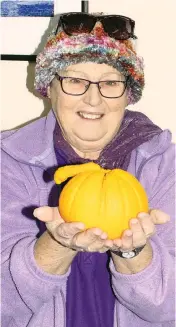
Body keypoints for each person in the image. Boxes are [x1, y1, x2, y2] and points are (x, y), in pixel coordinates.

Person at [1, 12, 175, 327]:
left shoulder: (165, 167)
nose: (93, 98)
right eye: (75, 80)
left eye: (110, 82)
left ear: (128, 95)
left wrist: (135, 256)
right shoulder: (7, 163)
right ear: (49, 89)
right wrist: (54, 247)